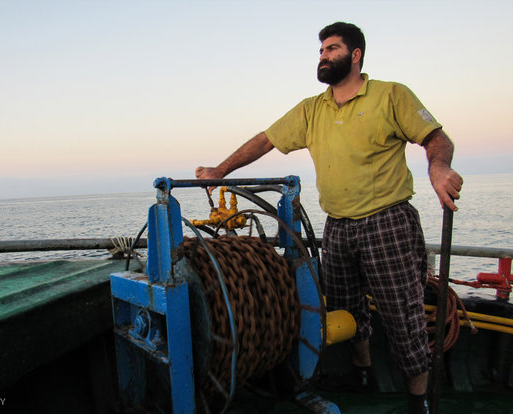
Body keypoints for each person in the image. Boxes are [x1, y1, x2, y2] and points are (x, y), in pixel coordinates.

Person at [195, 22, 463, 414]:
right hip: (337, 224)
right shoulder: (312, 109)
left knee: (401, 315)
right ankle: (363, 373)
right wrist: (222, 170)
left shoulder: (391, 95)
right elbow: (267, 138)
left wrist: (438, 168)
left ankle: (418, 399)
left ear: (355, 55)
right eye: (320, 51)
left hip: (387, 221)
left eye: (331, 49)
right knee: (344, 307)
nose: (322, 57)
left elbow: (437, 138)